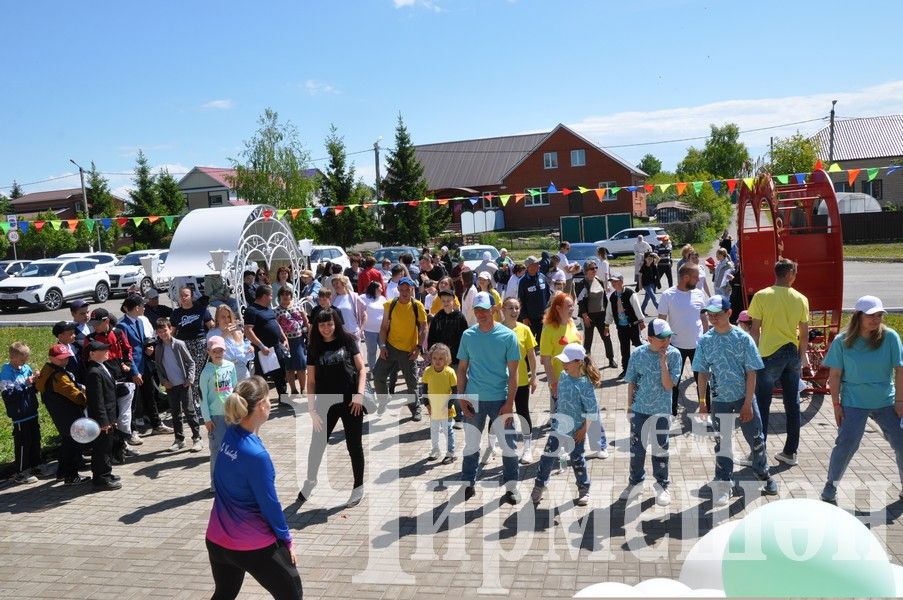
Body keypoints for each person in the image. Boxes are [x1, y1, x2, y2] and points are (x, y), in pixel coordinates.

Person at [206, 376, 303, 599]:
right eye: (269, 400)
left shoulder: (230, 433)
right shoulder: (257, 456)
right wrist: (286, 539)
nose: (271, 404)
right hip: (251, 546)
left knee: (224, 593)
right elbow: (270, 505)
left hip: (217, 541)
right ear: (261, 406)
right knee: (292, 594)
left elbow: (220, 479)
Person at [692, 296, 779, 507]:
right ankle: (724, 483)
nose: (712, 318)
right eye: (709, 314)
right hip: (720, 400)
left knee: (756, 440)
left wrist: (748, 403)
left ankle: (763, 473)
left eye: (717, 314)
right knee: (723, 444)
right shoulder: (706, 340)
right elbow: (702, 373)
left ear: (729, 313)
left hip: (743, 398)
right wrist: (703, 401)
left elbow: (751, 373)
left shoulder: (743, 338)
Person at [820, 296, 903, 503]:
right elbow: (835, 375)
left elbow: (900, 370)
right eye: (871, 315)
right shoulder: (842, 341)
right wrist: (837, 405)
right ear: (858, 316)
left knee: (901, 441)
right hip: (854, 401)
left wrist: (900, 401)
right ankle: (831, 485)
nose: (876, 320)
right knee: (847, 443)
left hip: (886, 400)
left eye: (879, 315)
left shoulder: (890, 337)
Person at [298, 308, 368, 508]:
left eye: (329, 324)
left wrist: (359, 395)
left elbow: (362, 369)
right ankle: (311, 481)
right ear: (316, 327)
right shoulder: (314, 347)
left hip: (352, 402)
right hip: (325, 403)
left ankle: (358, 486)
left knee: (354, 445)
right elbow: (310, 382)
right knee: (317, 445)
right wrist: (311, 408)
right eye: (322, 325)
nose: (326, 328)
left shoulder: (347, 340)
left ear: (336, 323)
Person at [458, 291, 522, 504]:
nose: (481, 314)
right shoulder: (468, 335)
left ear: (494, 310)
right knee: (471, 445)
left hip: (500, 399)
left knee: (508, 445)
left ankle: (511, 486)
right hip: (474, 398)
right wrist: (462, 397)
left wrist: (510, 403)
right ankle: (468, 484)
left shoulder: (507, 336)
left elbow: (514, 374)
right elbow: (462, 369)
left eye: (485, 310)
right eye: (477, 310)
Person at [748, 258, 811, 467]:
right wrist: (803, 358)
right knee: (792, 404)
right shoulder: (801, 298)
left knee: (762, 405)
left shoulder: (761, 296)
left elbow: (755, 329)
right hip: (792, 353)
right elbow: (804, 333)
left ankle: (758, 452)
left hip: (768, 354)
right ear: (790, 274)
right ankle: (790, 452)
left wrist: (753, 356)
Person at [530, 343, 600, 507]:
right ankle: (539, 486)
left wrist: (584, 429)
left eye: (567, 362)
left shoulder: (585, 384)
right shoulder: (563, 376)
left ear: (578, 362)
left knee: (577, 459)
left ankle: (583, 488)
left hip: (576, 431)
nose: (563, 365)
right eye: (563, 361)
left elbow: (592, 410)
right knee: (547, 457)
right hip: (558, 428)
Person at [621, 319, 681, 506]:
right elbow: (632, 381)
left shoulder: (674, 355)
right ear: (649, 338)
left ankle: (662, 485)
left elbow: (669, 385)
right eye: (661, 338)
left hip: (661, 411)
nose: (666, 341)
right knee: (637, 450)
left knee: (660, 450)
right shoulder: (638, 354)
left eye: (669, 337)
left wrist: (663, 363)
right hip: (639, 410)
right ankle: (635, 482)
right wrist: (629, 407)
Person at [85, 309, 138, 461]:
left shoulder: (119, 333)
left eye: (97, 323)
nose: (95, 327)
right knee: (111, 416)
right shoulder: (91, 339)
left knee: (124, 415)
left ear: (106, 321)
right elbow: (87, 359)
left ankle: (122, 445)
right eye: (92, 324)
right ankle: (113, 451)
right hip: (104, 381)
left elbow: (128, 349)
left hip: (121, 378)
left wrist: (127, 364)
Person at [658, 263, 710, 418]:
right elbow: (661, 321)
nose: (698, 281)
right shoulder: (668, 295)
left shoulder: (699, 294)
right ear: (685, 277)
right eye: (695, 278)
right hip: (675, 347)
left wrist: (706, 338)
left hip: (698, 347)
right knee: (672, 383)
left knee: (703, 382)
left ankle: (706, 412)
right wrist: (662, 344)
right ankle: (670, 414)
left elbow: (703, 317)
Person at [372, 277, 427, 421]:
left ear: (411, 290)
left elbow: (423, 328)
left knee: (412, 383)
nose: (404, 292)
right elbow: (383, 327)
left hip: (409, 350)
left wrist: (418, 348)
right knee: (378, 376)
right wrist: (383, 346)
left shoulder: (417, 306)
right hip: (390, 347)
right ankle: (384, 399)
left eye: (407, 289)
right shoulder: (390, 305)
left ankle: (415, 409)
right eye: (401, 289)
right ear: (398, 290)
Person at [35, 344, 90, 485]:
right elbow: (75, 396)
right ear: (51, 358)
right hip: (69, 413)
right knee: (74, 444)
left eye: (66, 358)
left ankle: (62, 473)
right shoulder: (59, 376)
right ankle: (71, 476)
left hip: (59, 414)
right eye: (60, 359)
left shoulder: (47, 369)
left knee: (67, 442)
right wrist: (87, 400)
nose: (64, 361)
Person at [154, 317, 203, 453]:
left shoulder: (179, 344)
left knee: (189, 410)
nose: (163, 334)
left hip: (184, 383)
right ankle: (179, 439)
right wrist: (164, 381)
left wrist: (190, 378)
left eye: (165, 330)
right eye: (160, 332)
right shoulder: (158, 348)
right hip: (170, 385)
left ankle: (197, 438)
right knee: (175, 413)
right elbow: (158, 367)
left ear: (170, 329)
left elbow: (191, 362)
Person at [501, 297, 538, 464]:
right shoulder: (496, 330)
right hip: (500, 381)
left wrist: (535, 377)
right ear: (503, 309)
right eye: (510, 308)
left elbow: (531, 355)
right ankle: (494, 444)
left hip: (521, 380)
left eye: (516, 308)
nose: (514, 311)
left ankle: (527, 448)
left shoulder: (525, 330)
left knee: (523, 412)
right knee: (501, 413)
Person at [200, 335, 238, 494]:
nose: (218, 353)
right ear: (209, 352)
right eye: (214, 350)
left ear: (225, 350)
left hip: (231, 415)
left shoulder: (230, 366)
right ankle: (215, 484)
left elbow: (235, 389)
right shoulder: (206, 372)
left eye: (220, 350)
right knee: (216, 450)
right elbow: (202, 397)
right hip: (215, 417)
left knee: (233, 449)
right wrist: (207, 419)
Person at [83, 340, 123, 491]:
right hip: (102, 419)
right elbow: (97, 400)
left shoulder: (101, 367)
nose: (107, 351)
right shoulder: (94, 372)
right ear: (93, 354)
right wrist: (103, 421)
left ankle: (106, 473)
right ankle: (101, 478)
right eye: (103, 350)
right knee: (101, 448)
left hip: (109, 416)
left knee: (107, 447)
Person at [426, 289, 469, 427]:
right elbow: (432, 338)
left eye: (448, 300)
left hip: (457, 359)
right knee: (442, 389)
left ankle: (459, 417)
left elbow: (465, 338)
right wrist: (431, 355)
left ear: (453, 300)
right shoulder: (438, 317)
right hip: (440, 361)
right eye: (443, 301)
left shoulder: (460, 317)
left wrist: (466, 356)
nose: (446, 303)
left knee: (457, 387)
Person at [1, 342, 41, 484]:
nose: (25, 362)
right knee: (23, 443)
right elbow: (8, 395)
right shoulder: (6, 372)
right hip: (20, 415)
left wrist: (35, 381)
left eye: (26, 358)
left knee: (35, 439)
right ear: (12, 357)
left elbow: (32, 389)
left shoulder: (26, 368)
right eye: (22, 359)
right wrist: (25, 382)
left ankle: (35, 466)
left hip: (31, 410)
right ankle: (21, 472)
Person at [244, 285, 290, 407]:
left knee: (280, 373)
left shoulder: (268, 309)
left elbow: (274, 323)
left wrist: (283, 337)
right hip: (263, 350)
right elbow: (248, 330)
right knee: (261, 377)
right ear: (264, 296)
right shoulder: (251, 310)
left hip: (275, 347)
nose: (271, 298)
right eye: (270, 295)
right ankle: (258, 401)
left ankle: (283, 397)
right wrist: (261, 345)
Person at [172, 287, 215, 413]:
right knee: (188, 375)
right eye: (182, 296)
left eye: (186, 295)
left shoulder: (201, 310)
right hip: (184, 345)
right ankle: (194, 403)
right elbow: (173, 332)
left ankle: (200, 402)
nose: (184, 298)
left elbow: (211, 326)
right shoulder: (176, 313)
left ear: (191, 296)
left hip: (200, 344)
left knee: (197, 374)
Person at [116, 295, 152, 446]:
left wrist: (148, 347)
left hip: (144, 365)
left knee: (147, 396)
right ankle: (132, 431)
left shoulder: (139, 321)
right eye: (142, 306)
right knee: (132, 402)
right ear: (136, 307)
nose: (144, 308)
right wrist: (134, 371)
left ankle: (153, 423)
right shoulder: (122, 326)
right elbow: (127, 352)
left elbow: (140, 343)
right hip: (132, 368)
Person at [540, 292, 581, 414]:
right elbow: (546, 360)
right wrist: (553, 383)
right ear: (558, 308)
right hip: (560, 378)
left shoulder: (572, 323)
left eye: (572, 305)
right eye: (568, 306)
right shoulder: (549, 330)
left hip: (577, 375)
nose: (572, 309)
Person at [576, 260, 617, 369]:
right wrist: (585, 317)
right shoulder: (581, 284)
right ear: (585, 271)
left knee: (607, 337)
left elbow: (604, 299)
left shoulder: (599, 280)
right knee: (588, 340)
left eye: (595, 268)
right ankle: (586, 363)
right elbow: (580, 302)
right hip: (589, 317)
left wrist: (608, 314)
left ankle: (611, 359)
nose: (594, 270)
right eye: (591, 268)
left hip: (602, 315)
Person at [422, 343, 458, 463]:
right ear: (431, 358)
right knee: (434, 430)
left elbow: (455, 391)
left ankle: (450, 452)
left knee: (448, 430)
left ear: (447, 359)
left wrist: (448, 406)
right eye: (434, 358)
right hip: (433, 408)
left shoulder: (450, 372)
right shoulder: (427, 371)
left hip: (446, 409)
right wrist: (426, 404)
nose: (437, 361)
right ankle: (435, 450)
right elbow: (424, 389)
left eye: (441, 359)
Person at [605, 273, 643, 377]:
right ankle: (626, 369)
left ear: (621, 282)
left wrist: (641, 321)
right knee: (624, 349)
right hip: (621, 327)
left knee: (638, 345)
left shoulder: (630, 293)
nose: (613, 284)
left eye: (615, 281)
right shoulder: (612, 297)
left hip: (633, 325)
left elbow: (637, 308)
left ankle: (642, 368)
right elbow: (609, 312)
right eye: (612, 282)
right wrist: (607, 325)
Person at [274, 288, 308, 396]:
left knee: (301, 365)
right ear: (279, 296)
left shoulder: (298, 306)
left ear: (291, 296)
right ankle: (293, 390)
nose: (286, 296)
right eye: (283, 294)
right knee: (289, 368)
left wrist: (309, 333)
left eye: (288, 294)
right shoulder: (275, 310)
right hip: (285, 342)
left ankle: (303, 389)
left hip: (298, 340)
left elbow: (305, 320)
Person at [207, 304, 254, 381]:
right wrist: (224, 335)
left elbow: (243, 345)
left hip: (241, 367)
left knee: (247, 391)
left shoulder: (236, 329)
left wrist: (249, 347)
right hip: (224, 369)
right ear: (217, 319)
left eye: (228, 316)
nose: (226, 319)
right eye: (223, 317)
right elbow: (212, 350)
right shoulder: (212, 333)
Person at [518, 256, 550, 342]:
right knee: (529, 343)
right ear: (529, 267)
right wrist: (524, 317)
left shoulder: (542, 277)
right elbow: (521, 300)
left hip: (543, 317)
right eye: (536, 264)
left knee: (543, 342)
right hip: (530, 318)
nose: (539, 266)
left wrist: (548, 312)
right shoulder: (523, 281)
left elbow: (548, 295)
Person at [331, 275, 367, 348]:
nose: (335, 286)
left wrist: (360, 331)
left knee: (356, 358)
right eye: (333, 284)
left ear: (343, 283)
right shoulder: (333, 299)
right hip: (338, 335)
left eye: (337, 283)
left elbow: (365, 316)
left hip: (353, 334)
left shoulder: (354, 297)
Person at [362, 281, 387, 373]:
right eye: (380, 288)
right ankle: (373, 370)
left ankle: (383, 370)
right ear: (375, 289)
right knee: (372, 351)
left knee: (384, 350)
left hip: (382, 330)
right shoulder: (363, 298)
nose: (382, 289)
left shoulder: (383, 298)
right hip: (369, 331)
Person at [52, 320, 84, 384]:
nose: (74, 335)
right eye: (71, 334)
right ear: (60, 336)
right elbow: (61, 375)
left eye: (74, 333)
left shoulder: (75, 345)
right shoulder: (58, 353)